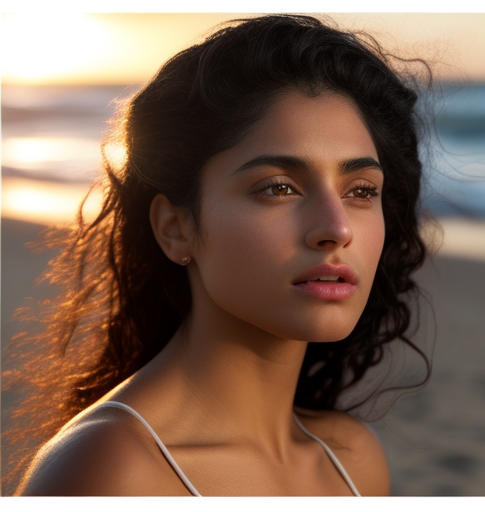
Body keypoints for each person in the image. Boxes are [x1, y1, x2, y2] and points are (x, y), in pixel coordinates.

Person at [8, 14, 431, 496]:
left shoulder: (351, 461)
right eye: (279, 187)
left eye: (360, 190)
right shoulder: (113, 472)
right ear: (177, 228)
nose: (335, 229)